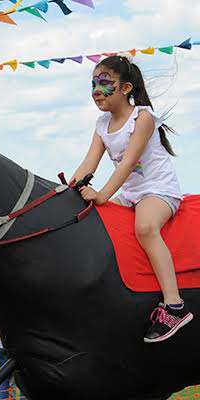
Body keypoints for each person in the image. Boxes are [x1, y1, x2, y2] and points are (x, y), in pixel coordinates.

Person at [71, 54, 192, 343]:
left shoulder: (144, 118)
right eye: (93, 84)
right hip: (130, 194)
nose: (97, 91)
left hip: (158, 190)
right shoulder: (102, 124)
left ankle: (175, 305)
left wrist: (101, 195)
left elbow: (126, 165)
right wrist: (66, 191)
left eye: (105, 83)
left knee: (146, 228)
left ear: (125, 89)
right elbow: (89, 164)